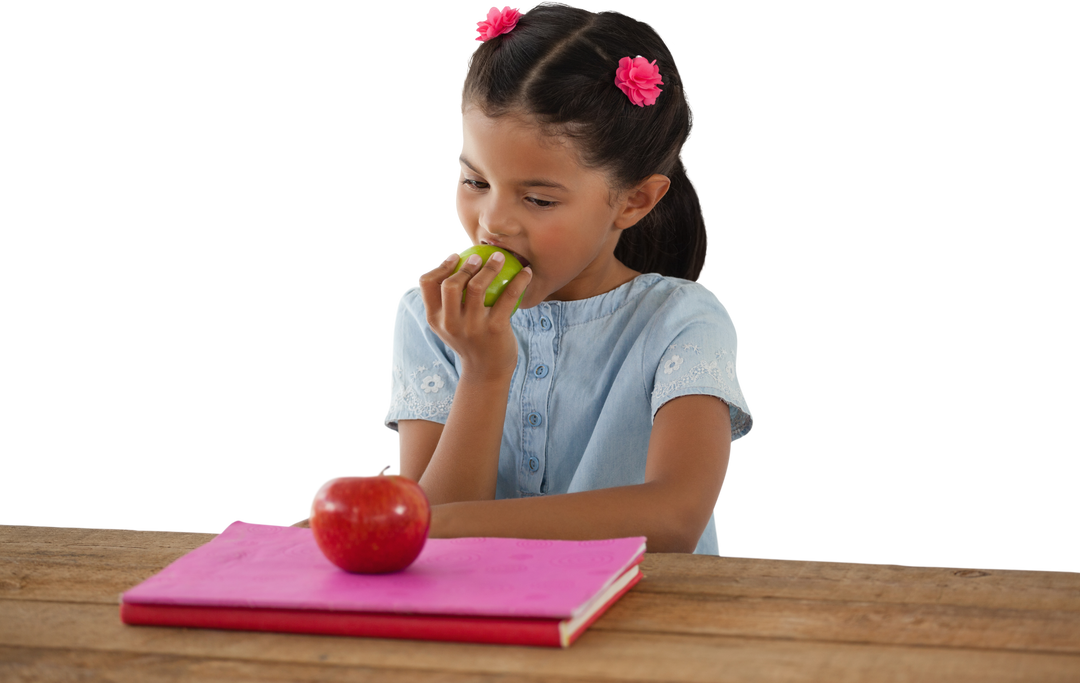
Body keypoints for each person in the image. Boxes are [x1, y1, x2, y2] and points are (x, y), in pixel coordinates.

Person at [380, 2, 755, 554]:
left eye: (538, 198)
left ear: (634, 200)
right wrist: (484, 371)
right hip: (485, 627)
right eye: (475, 181)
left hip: (656, 629)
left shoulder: (683, 322)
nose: (493, 222)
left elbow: (674, 517)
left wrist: (437, 523)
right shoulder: (430, 314)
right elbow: (427, 545)